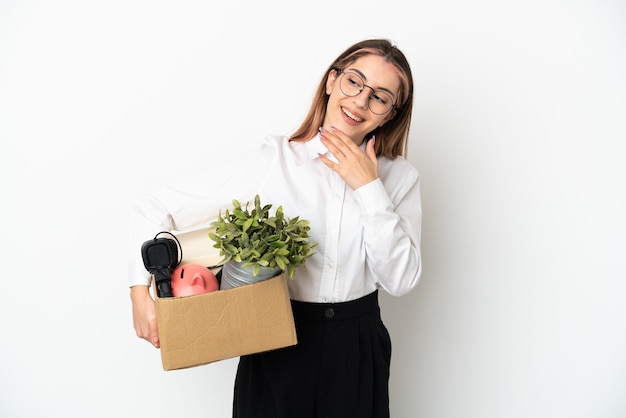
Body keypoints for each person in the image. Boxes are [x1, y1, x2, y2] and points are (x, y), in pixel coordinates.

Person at [129, 38, 422, 418]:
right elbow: (155, 206)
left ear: (391, 113)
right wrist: (140, 293)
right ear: (332, 81)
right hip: (276, 337)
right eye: (354, 82)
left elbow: (400, 281)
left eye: (381, 96)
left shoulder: (400, 179)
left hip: (358, 345)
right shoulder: (274, 161)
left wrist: (369, 188)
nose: (361, 101)